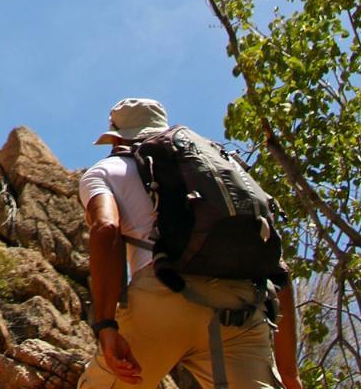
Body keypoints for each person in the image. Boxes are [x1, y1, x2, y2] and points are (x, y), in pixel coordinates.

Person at [76, 98, 301, 389]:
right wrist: (289, 373)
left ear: (116, 137)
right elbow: (276, 266)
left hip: (164, 299)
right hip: (241, 309)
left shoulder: (107, 170)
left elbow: (106, 227)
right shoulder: (220, 171)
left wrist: (106, 325)